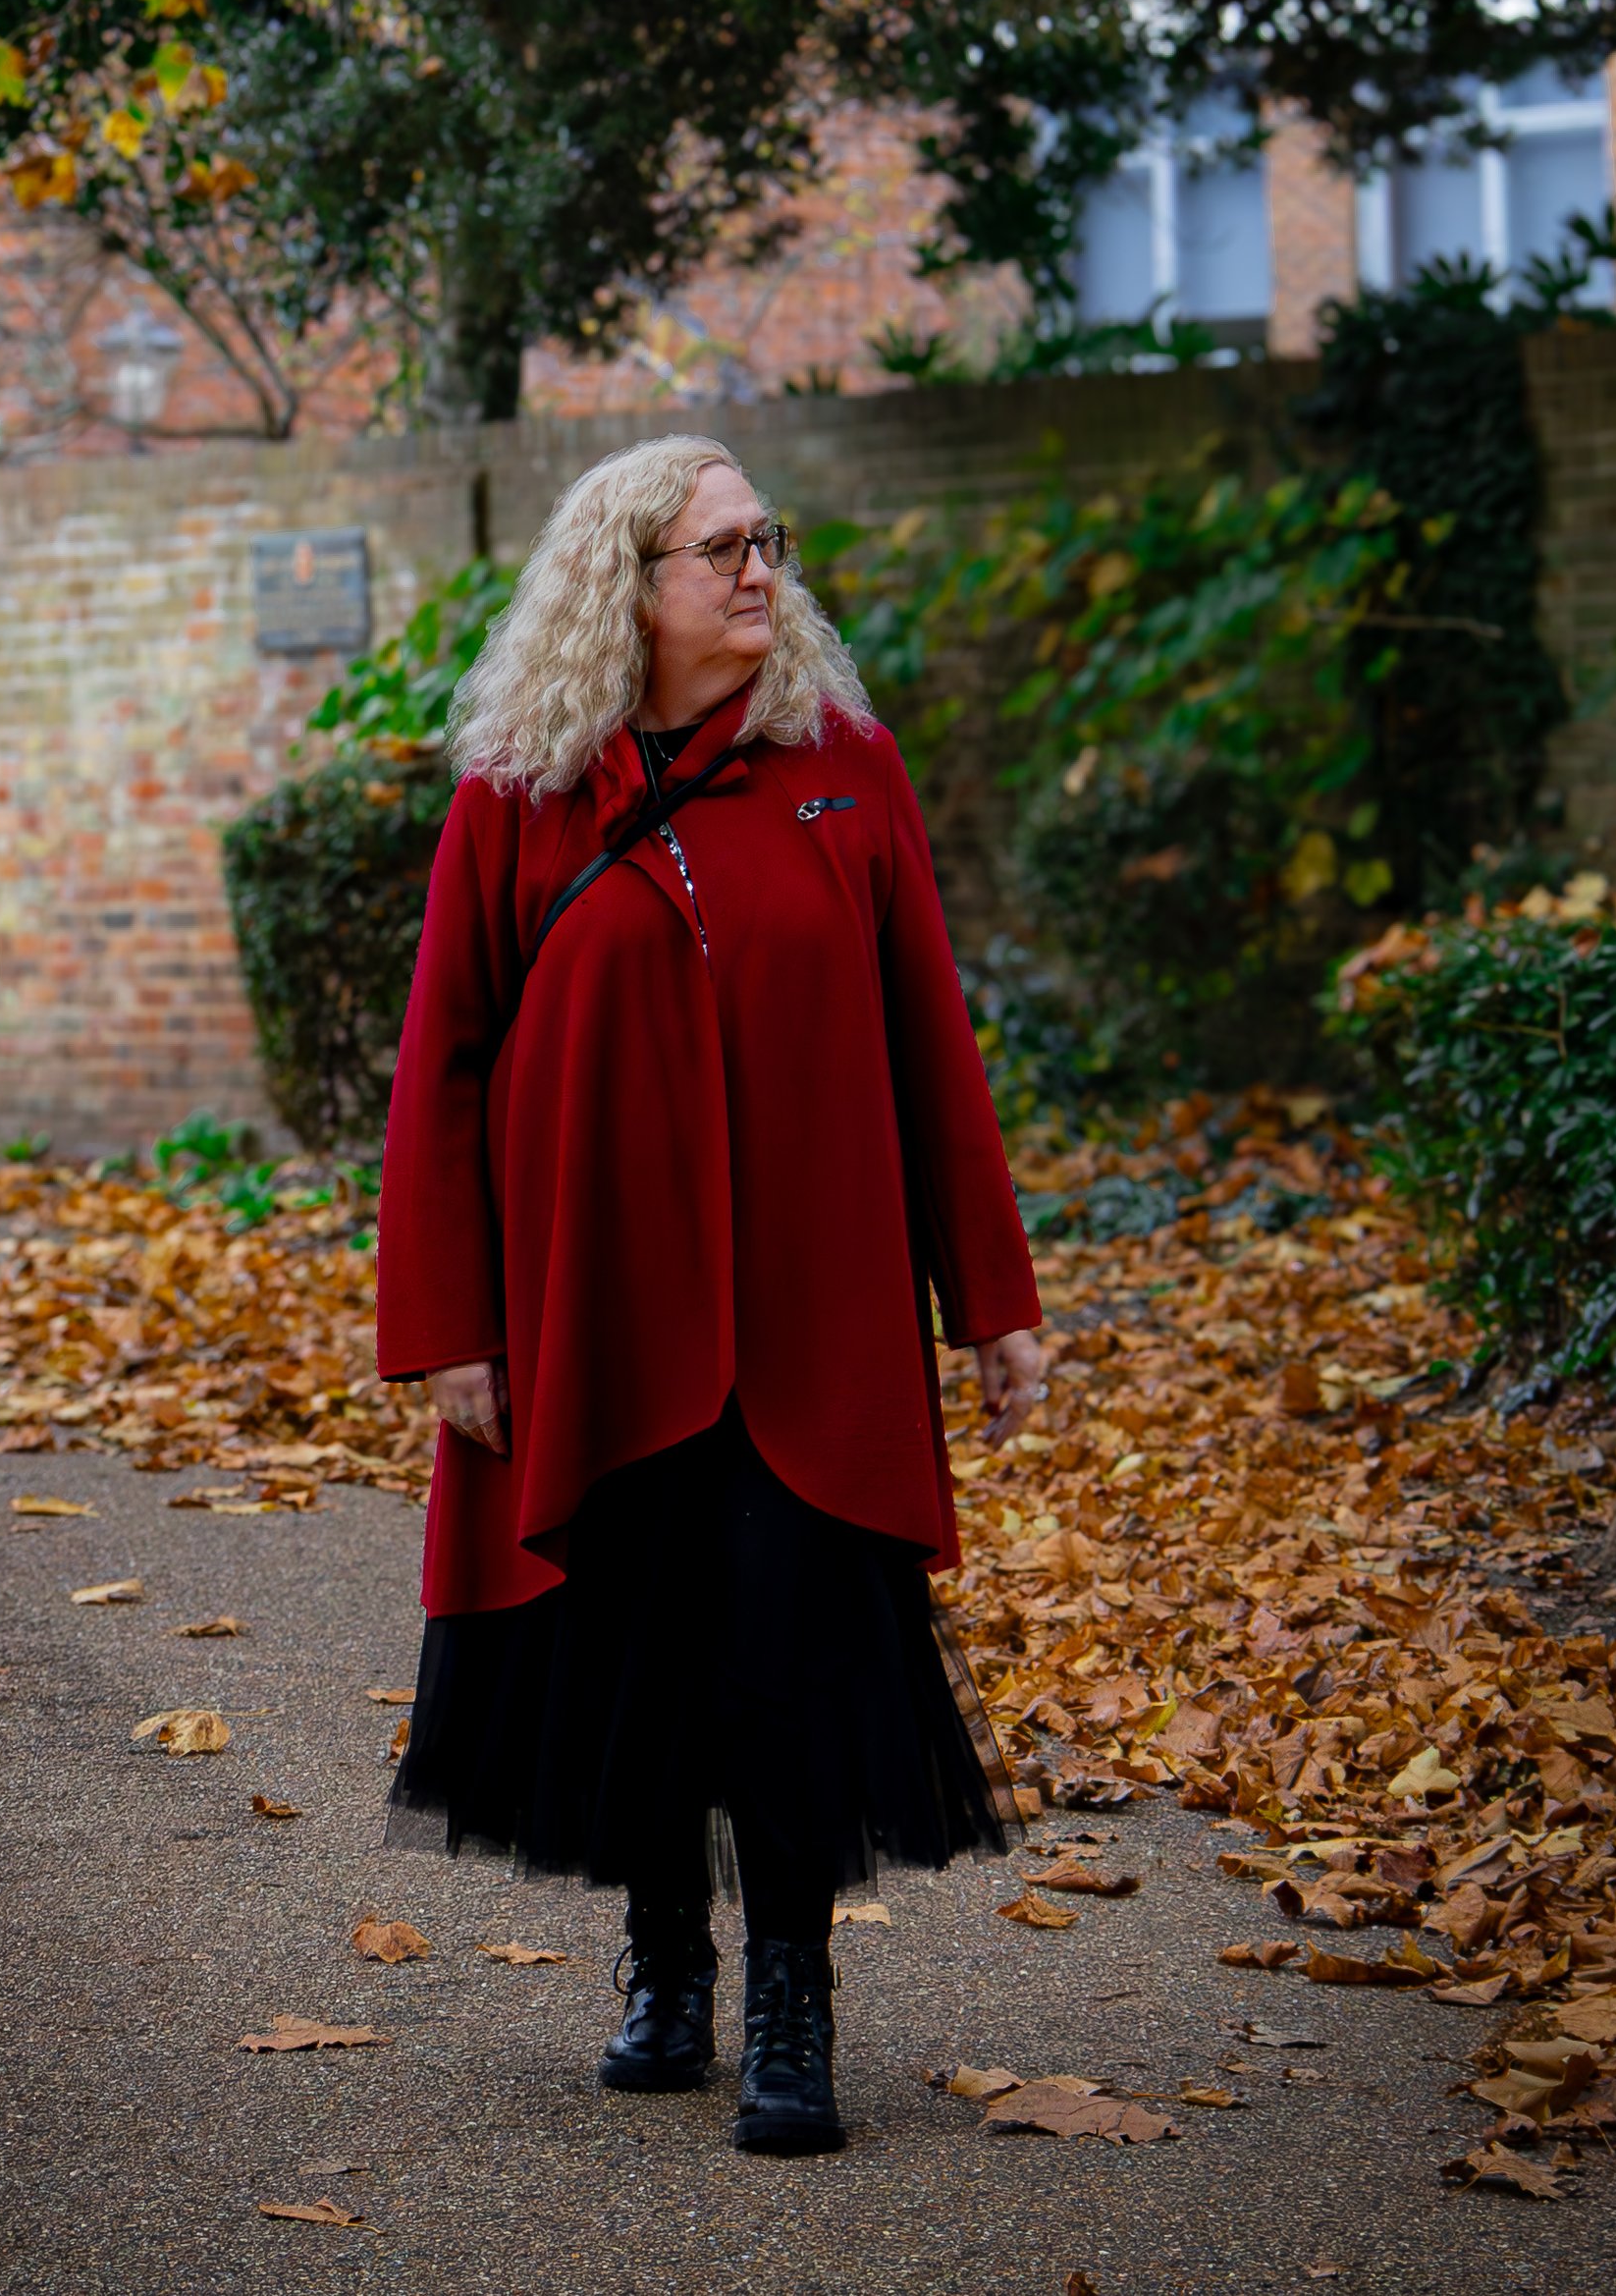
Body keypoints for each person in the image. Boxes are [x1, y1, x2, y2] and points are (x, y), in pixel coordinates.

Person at [374, 435, 1046, 2159]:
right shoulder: (520, 796)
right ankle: (666, 1961)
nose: (762, 572)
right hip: (596, 1310)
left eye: (769, 542)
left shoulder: (848, 772)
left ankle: (793, 2005)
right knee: (634, 1647)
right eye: (723, 549)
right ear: (633, 584)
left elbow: (930, 1044)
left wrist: (993, 1296)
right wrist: (452, 1322)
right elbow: (442, 1068)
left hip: (809, 1317)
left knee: (789, 1656)